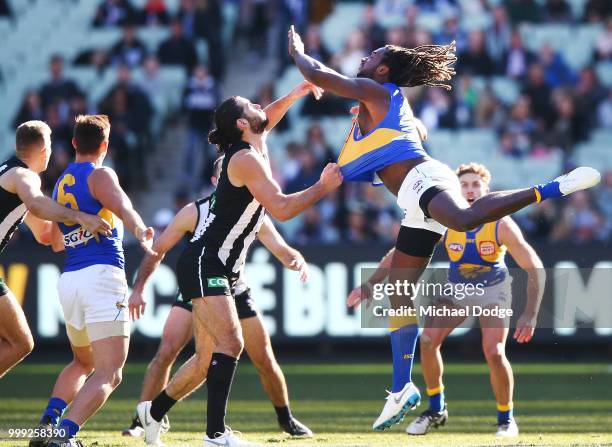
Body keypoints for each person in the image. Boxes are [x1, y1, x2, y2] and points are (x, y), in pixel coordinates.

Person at [287, 26, 600, 431]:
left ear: (381, 70)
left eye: (371, 56)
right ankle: (402, 389)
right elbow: (416, 131)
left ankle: (550, 188)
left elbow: (323, 77)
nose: (363, 59)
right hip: (413, 203)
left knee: (467, 219)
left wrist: (298, 54)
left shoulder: (377, 91)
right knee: (398, 292)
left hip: (424, 179)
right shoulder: (374, 103)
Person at [137, 80, 342, 447]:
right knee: (231, 344)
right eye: (250, 105)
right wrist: (323, 187)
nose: (259, 106)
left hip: (219, 266)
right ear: (242, 125)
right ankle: (215, 434)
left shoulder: (252, 143)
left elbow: (269, 117)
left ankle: (152, 413)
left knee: (204, 362)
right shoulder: (246, 158)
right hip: (207, 261)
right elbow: (281, 208)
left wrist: (295, 94)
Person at [349, 163, 545, 437]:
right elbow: (400, 253)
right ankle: (436, 409)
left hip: (493, 291)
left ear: (487, 191)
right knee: (427, 341)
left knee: (494, 351)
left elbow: (533, 265)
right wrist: (370, 283)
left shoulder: (500, 224)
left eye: (476, 184)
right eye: (464, 184)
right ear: (454, 189)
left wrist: (531, 313)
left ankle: (506, 418)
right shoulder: (444, 220)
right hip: (457, 290)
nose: (470, 190)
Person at [122, 156, 312, 439]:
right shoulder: (195, 211)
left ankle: (285, 419)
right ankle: (144, 421)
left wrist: (295, 259)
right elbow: (157, 250)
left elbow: (282, 248)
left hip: (234, 288)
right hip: (201, 285)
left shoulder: (253, 210)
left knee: (261, 357)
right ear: (216, 182)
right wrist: (138, 289)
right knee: (169, 350)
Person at [30, 115, 155, 447]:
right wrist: (140, 229)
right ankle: (64, 435)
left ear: (73, 143)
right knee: (109, 372)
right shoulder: (100, 174)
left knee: (83, 361)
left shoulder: (60, 183)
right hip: (101, 277)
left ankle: (48, 423)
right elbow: (123, 204)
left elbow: (54, 241)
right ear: (105, 145)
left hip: (70, 279)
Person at [0, 121, 111, 379]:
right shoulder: (24, 176)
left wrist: (73, 205)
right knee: (20, 343)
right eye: (50, 146)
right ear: (43, 149)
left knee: (20, 342)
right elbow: (38, 204)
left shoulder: (9, 173)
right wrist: (81, 216)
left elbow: (46, 235)